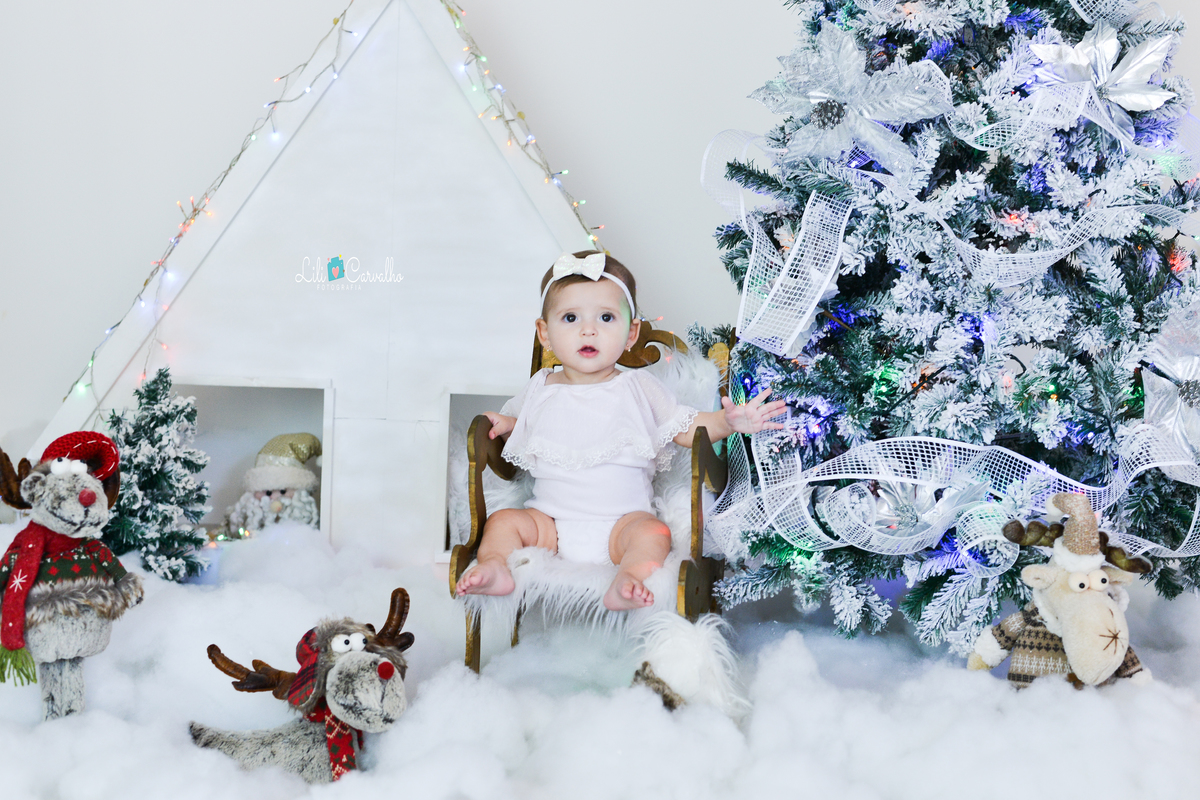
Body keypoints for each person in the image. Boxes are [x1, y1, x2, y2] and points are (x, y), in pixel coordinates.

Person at [455, 251, 785, 610]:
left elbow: (687, 427)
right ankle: (495, 566)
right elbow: (529, 432)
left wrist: (727, 422)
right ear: (544, 332)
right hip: (547, 524)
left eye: (606, 317)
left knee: (653, 534)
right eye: (570, 318)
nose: (588, 330)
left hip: (621, 524)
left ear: (631, 333)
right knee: (504, 521)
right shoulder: (540, 388)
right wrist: (507, 426)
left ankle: (628, 577)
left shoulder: (639, 388)